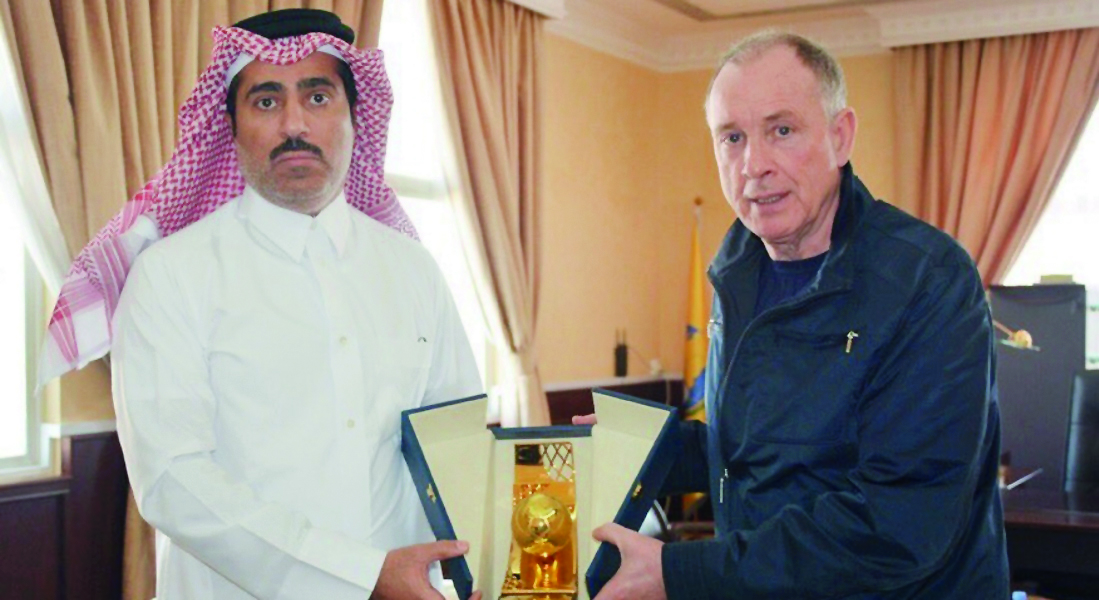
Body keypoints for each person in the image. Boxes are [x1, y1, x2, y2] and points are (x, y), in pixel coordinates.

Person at [43, 9, 483, 600]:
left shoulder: (414, 270)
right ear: (232, 125)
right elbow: (174, 480)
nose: (294, 124)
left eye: (319, 97)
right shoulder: (171, 276)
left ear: (355, 117)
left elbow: (458, 440)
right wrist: (359, 574)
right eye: (267, 101)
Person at [586, 31, 1009, 599]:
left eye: (781, 130)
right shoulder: (735, 271)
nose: (753, 164)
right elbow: (753, 452)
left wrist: (682, 573)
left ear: (840, 136)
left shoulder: (927, 279)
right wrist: (647, 449)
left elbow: (900, 525)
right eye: (731, 137)